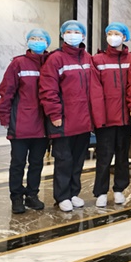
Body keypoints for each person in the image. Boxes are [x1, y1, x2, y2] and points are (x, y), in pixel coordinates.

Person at [39, 20, 106, 212]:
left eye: (77, 32)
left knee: (78, 159)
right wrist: (54, 113)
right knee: (64, 160)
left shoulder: (87, 58)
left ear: (83, 36)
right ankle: (62, 195)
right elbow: (48, 89)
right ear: (63, 35)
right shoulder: (55, 59)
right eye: (69, 31)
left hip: (83, 120)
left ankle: (73, 192)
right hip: (63, 119)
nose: (73, 35)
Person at [0, 28, 51, 214]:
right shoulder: (18, 63)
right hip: (21, 123)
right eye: (33, 38)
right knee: (18, 163)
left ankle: (32, 195)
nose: (37, 41)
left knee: (37, 162)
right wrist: (4, 116)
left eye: (40, 38)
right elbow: (6, 91)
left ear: (47, 42)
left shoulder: (51, 62)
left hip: (43, 125)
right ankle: (16, 196)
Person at [91, 22, 131, 208]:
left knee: (122, 156)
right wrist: (98, 118)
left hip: (125, 118)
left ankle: (119, 189)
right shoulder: (98, 60)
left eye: (117, 33)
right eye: (109, 33)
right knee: (104, 157)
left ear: (124, 37)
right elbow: (95, 92)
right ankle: (101, 191)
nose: (113, 37)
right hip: (106, 119)